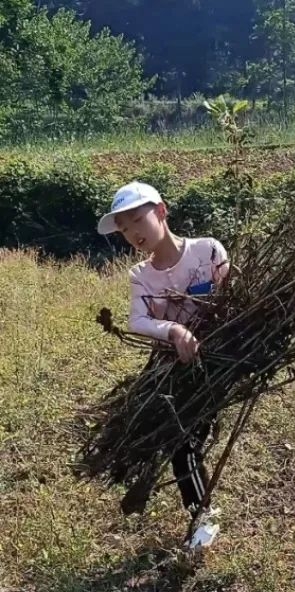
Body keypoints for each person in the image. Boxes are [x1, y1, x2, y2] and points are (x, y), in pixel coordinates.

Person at [97, 180, 229, 551]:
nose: (132, 233)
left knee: (182, 443)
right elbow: (138, 320)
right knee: (145, 430)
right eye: (123, 229)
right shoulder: (141, 275)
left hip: (214, 364)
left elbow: (236, 298)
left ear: (161, 211)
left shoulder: (207, 251)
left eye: (137, 220)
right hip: (167, 366)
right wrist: (173, 329)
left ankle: (204, 519)